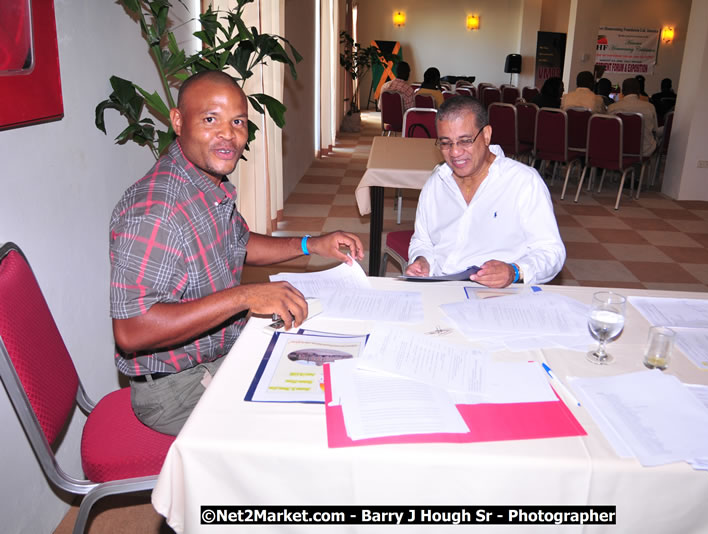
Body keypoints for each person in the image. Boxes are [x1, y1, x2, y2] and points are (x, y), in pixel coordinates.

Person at [109, 71, 364, 435]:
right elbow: (132, 331)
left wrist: (312, 244)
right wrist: (245, 296)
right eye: (210, 119)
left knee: (326, 362)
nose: (228, 134)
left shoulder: (203, 184)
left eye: (238, 122)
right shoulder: (157, 212)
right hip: (177, 388)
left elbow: (240, 243)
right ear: (178, 121)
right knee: (298, 427)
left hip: (217, 356)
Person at [405, 96, 565, 287]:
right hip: (441, 288)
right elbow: (422, 240)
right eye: (446, 143)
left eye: (465, 141)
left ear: (487, 135)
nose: (455, 152)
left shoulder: (523, 182)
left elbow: (551, 252)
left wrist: (514, 271)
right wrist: (422, 260)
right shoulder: (436, 183)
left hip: (499, 296)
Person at [608, 77, 659, 156]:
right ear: (638, 91)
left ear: (623, 92)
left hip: (618, 149)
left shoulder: (612, 108)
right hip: (644, 151)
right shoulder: (650, 107)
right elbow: (655, 130)